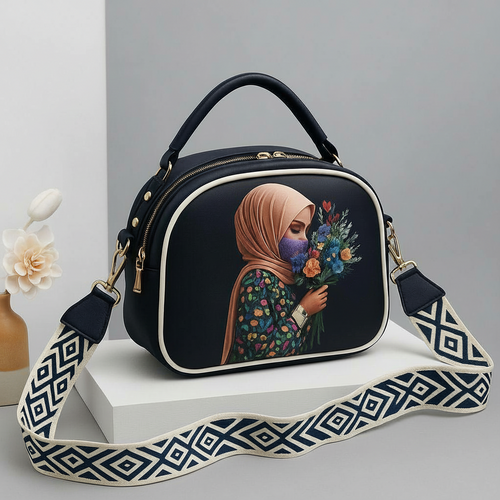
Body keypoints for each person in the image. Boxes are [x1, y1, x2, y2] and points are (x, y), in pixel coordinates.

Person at [221, 183, 328, 365]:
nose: (304, 239)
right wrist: (303, 311)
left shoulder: (282, 274)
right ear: (265, 228)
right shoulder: (257, 280)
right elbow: (261, 353)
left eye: (306, 230)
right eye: (295, 229)